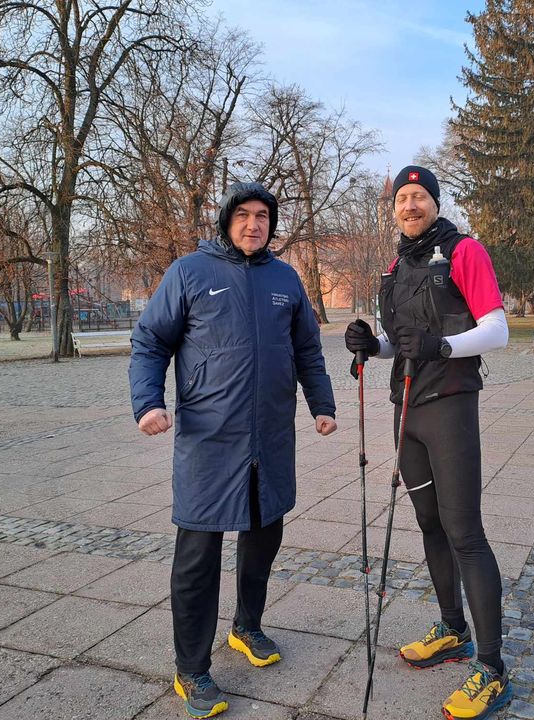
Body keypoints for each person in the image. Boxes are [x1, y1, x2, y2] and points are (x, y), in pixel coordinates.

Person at [130, 182, 337, 719]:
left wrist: (322, 404)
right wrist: (147, 402)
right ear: (226, 221)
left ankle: (247, 626)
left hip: (270, 438)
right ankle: (192, 668)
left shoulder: (285, 279)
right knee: (197, 554)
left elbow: (307, 349)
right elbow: (151, 340)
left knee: (263, 533)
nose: (253, 224)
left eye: (263, 216)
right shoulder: (190, 272)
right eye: (243, 215)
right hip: (209, 439)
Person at [345, 166, 511, 720]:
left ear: (434, 203)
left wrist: (440, 345)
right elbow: (404, 342)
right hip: (406, 410)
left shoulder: (463, 251)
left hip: (451, 406)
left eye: (418, 196)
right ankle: (454, 629)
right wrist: (374, 345)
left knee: (464, 531)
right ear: (392, 208)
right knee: (429, 523)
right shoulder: (396, 265)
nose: (409, 205)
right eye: (401, 198)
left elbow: (496, 329)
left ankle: (490, 667)